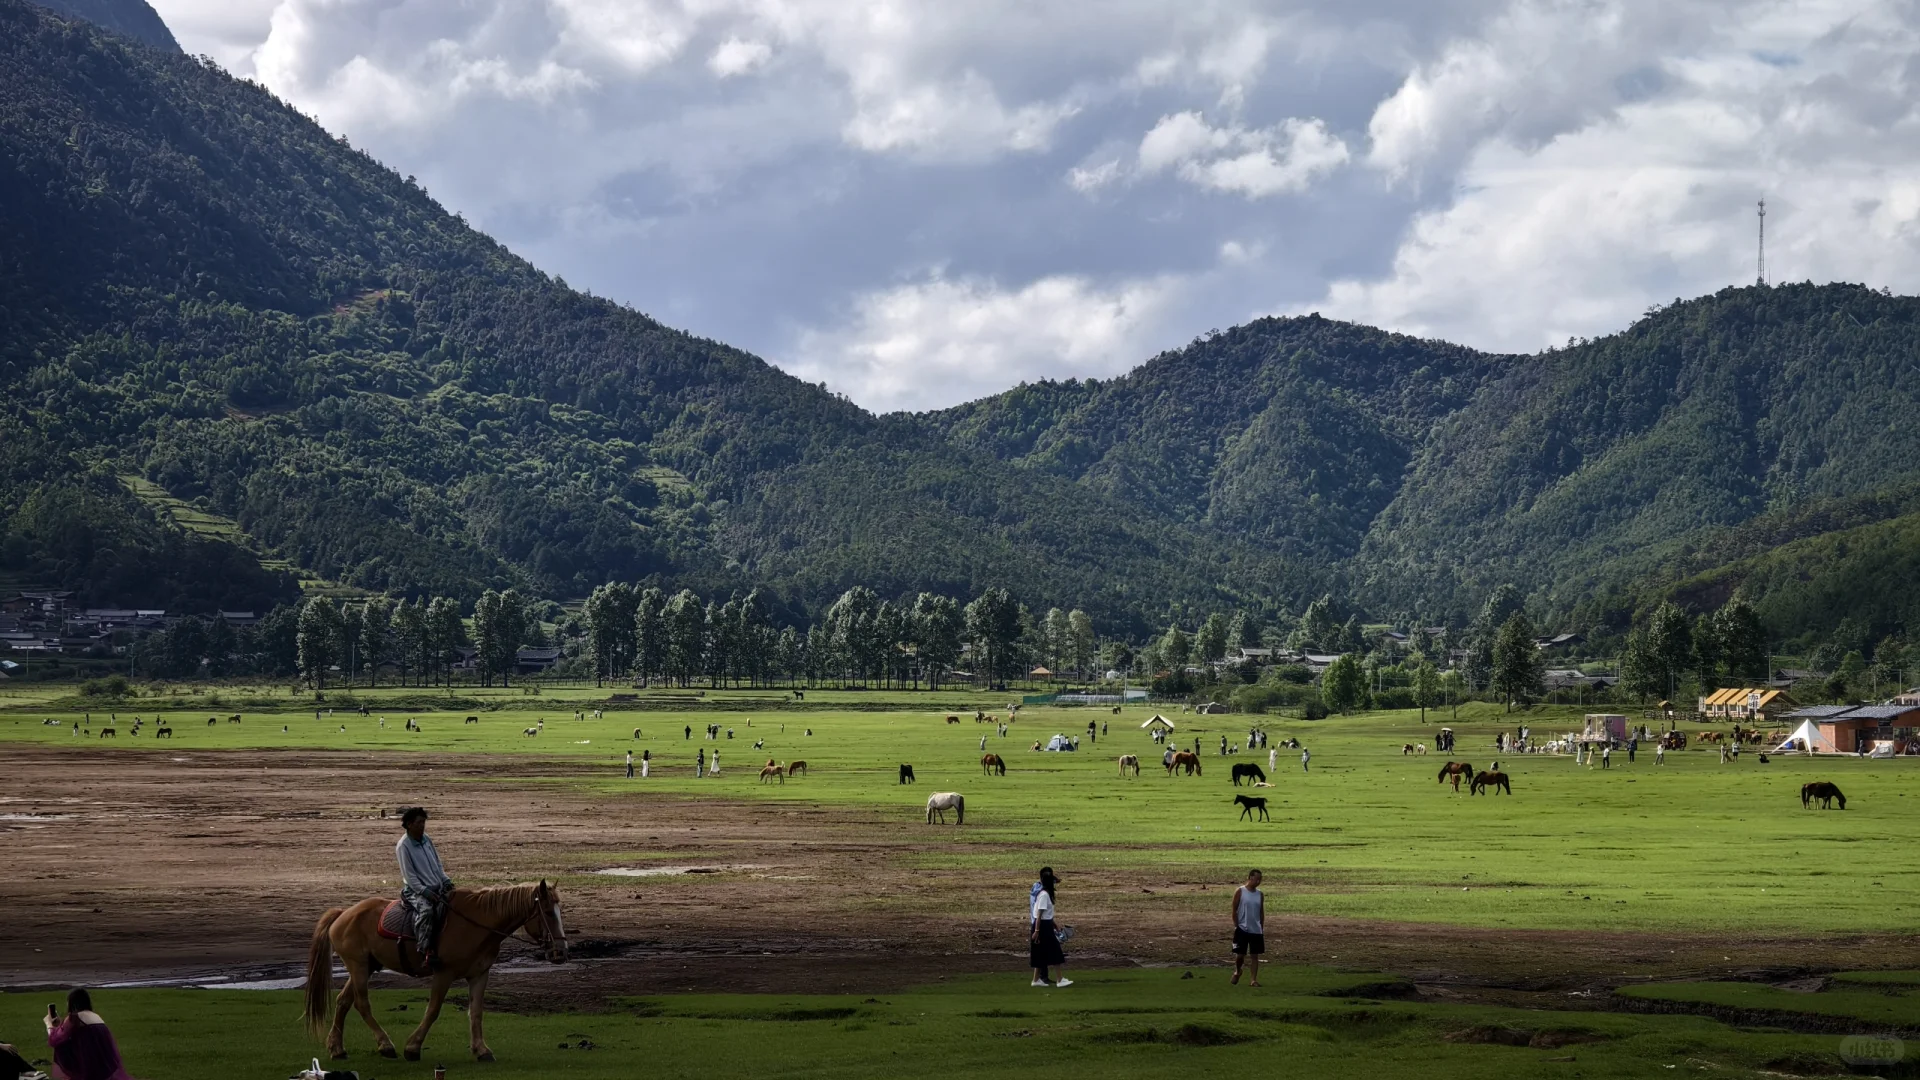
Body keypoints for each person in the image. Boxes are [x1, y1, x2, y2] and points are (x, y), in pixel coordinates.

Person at [396, 808, 453, 969]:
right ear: (409, 824)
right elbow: (410, 876)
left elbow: (437, 863)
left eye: (424, 822)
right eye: (419, 822)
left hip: (436, 885)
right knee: (427, 911)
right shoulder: (403, 846)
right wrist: (424, 891)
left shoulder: (426, 839)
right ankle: (425, 949)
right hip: (415, 891)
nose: (423, 826)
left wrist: (445, 880)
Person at [45, 988, 130, 1080]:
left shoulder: (75, 1017)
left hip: (88, 1060)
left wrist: (49, 1024)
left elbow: (54, 1039)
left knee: (61, 1045)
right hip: (103, 1062)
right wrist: (58, 1025)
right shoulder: (95, 1016)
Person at [1029, 867, 1070, 987]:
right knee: (1055, 951)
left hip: (1045, 924)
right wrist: (1037, 931)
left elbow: (1046, 915)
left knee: (1040, 953)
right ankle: (1059, 979)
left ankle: (1036, 980)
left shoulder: (1044, 894)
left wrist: (1055, 925)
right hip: (1042, 927)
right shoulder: (1044, 895)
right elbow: (1039, 915)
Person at [1230, 869, 1265, 987]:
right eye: (1256, 879)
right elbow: (1234, 909)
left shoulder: (1260, 894)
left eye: (1260, 879)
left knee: (1255, 955)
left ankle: (1253, 980)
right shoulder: (1240, 891)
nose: (1258, 881)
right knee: (1240, 955)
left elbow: (1261, 912)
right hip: (1242, 928)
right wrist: (1236, 924)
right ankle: (1238, 970)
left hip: (1256, 929)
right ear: (1250, 877)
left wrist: (1261, 926)